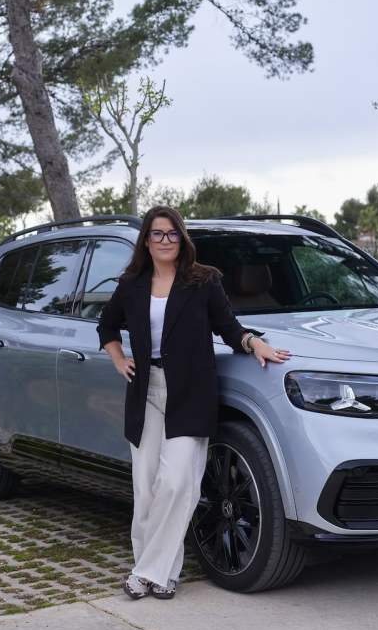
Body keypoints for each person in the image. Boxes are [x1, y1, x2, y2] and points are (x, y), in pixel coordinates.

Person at [97, 205, 291, 600]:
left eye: (171, 233)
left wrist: (255, 345)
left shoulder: (203, 281)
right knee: (147, 488)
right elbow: (106, 325)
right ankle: (162, 576)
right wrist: (119, 360)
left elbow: (229, 327)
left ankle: (143, 572)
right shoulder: (132, 283)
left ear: (181, 238)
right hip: (145, 391)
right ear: (146, 241)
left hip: (190, 394)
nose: (164, 240)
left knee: (176, 483)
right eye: (157, 234)